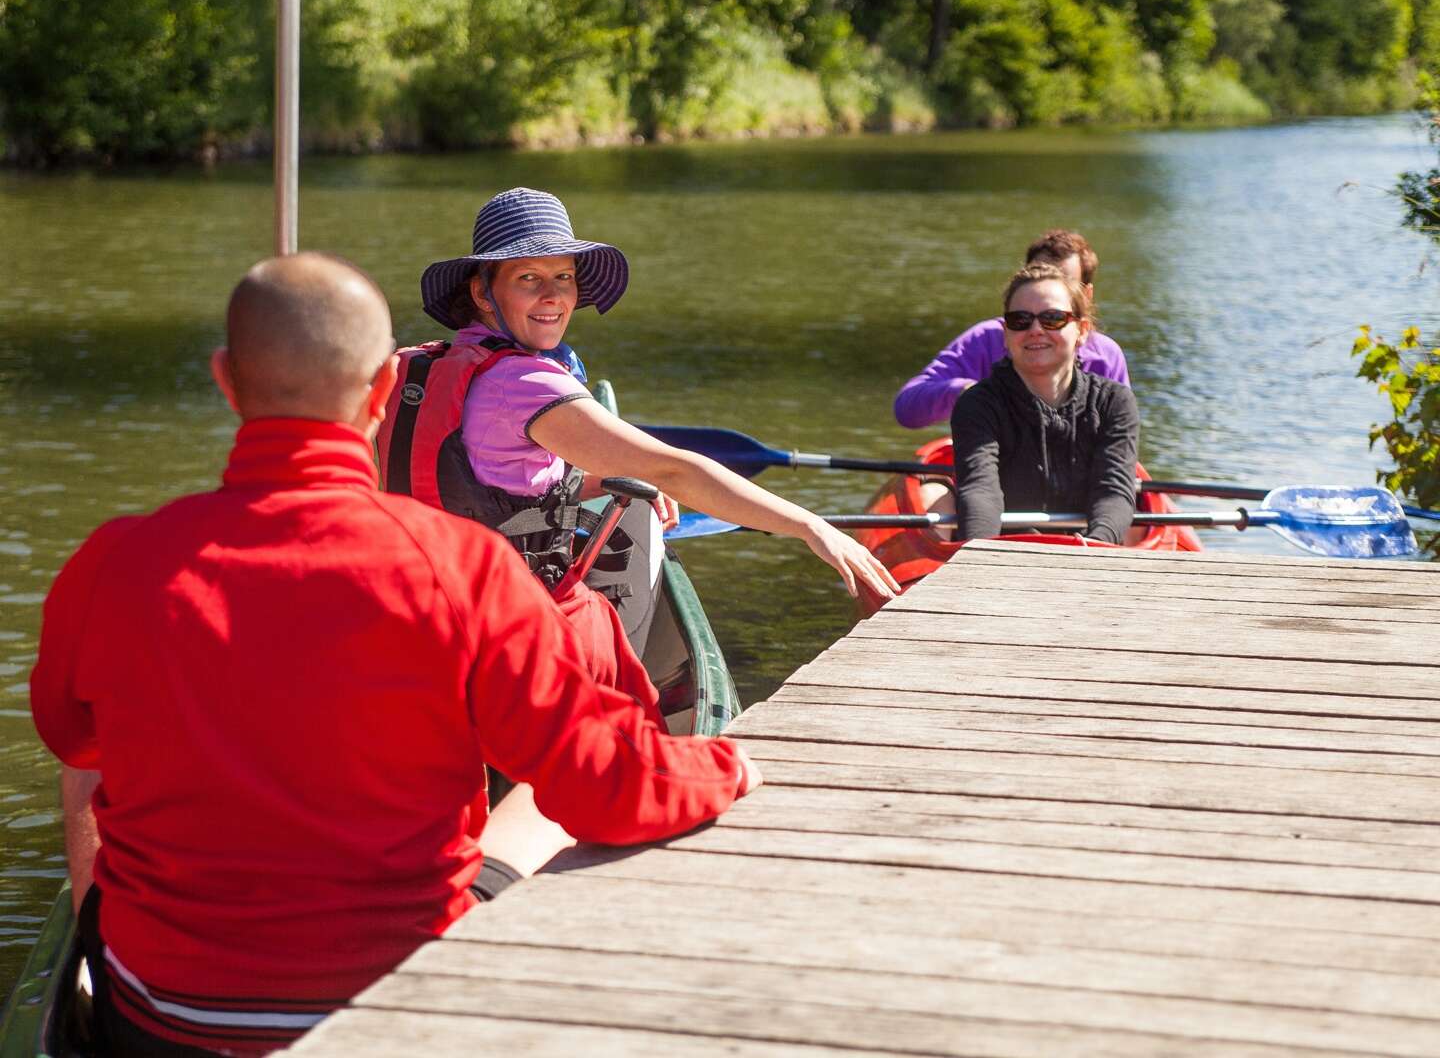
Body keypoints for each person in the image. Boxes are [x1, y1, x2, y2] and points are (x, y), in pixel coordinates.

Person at [29, 252, 760, 1057]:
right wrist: (722, 766)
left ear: (225, 383)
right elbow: (605, 784)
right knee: (545, 795)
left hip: (163, 1016)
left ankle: (93, 974)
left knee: (90, 755)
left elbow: (73, 741)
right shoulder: (465, 569)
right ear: (382, 392)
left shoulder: (115, 562)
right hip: (390, 1010)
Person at [387, 187, 898, 693]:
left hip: (424, 599)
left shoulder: (426, 369)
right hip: (504, 617)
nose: (554, 296)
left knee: (632, 502)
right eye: (529, 278)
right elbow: (675, 468)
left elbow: (483, 485)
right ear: (482, 292)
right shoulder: (525, 384)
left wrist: (612, 479)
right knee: (614, 599)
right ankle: (618, 716)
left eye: (563, 276)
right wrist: (811, 527)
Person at [948, 262, 1138, 543]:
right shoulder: (976, 404)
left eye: (1052, 318)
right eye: (1020, 320)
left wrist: (1096, 549)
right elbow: (980, 491)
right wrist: (981, 556)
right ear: (1006, 333)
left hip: (1090, 549)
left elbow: (1113, 492)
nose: (1035, 329)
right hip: (1007, 551)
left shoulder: (1115, 402)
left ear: (1082, 330)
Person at [894, 229, 1130, 429]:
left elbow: (1117, 438)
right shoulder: (985, 339)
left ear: (1086, 297)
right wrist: (970, 392)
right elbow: (907, 408)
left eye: (1062, 282)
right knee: (931, 487)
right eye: (1037, 277)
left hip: (1080, 477)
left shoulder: (1106, 357)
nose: (1036, 330)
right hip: (990, 466)